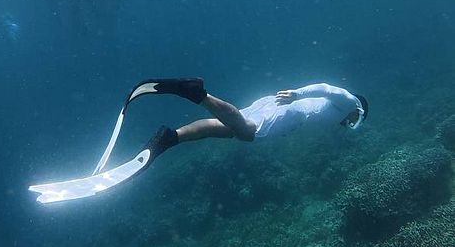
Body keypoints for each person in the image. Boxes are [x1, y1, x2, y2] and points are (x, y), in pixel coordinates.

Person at [143, 79, 369, 164]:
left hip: (280, 107)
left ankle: (172, 136)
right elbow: (326, 88)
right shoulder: (350, 103)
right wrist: (296, 95)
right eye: (357, 120)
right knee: (247, 131)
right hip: (289, 111)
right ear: (359, 112)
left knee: (230, 128)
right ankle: (198, 93)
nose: (350, 124)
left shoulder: (338, 114)